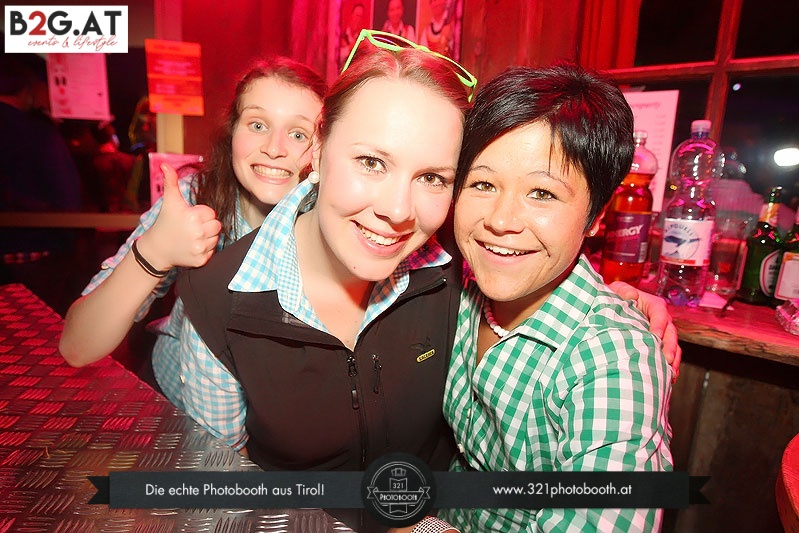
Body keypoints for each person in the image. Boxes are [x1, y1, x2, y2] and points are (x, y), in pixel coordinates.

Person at [176, 31, 678, 533]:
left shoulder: (456, 275)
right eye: (371, 162)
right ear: (320, 144)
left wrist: (621, 310)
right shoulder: (215, 300)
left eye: (433, 178)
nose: (398, 210)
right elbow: (219, 492)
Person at [439, 64, 673, 531]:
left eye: (542, 193)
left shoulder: (612, 359)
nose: (501, 220)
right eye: (483, 184)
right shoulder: (455, 288)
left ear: (597, 217)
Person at [59, 58, 327, 411]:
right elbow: (77, 346)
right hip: (174, 400)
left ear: (323, 148)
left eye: (298, 134)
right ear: (232, 132)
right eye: (258, 124)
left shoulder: (334, 221)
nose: (274, 148)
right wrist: (154, 252)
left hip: (276, 424)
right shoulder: (194, 197)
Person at [0, 54, 84, 316]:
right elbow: (69, 197)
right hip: (38, 248)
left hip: (16, 245)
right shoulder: (38, 133)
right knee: (38, 323)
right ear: (26, 89)